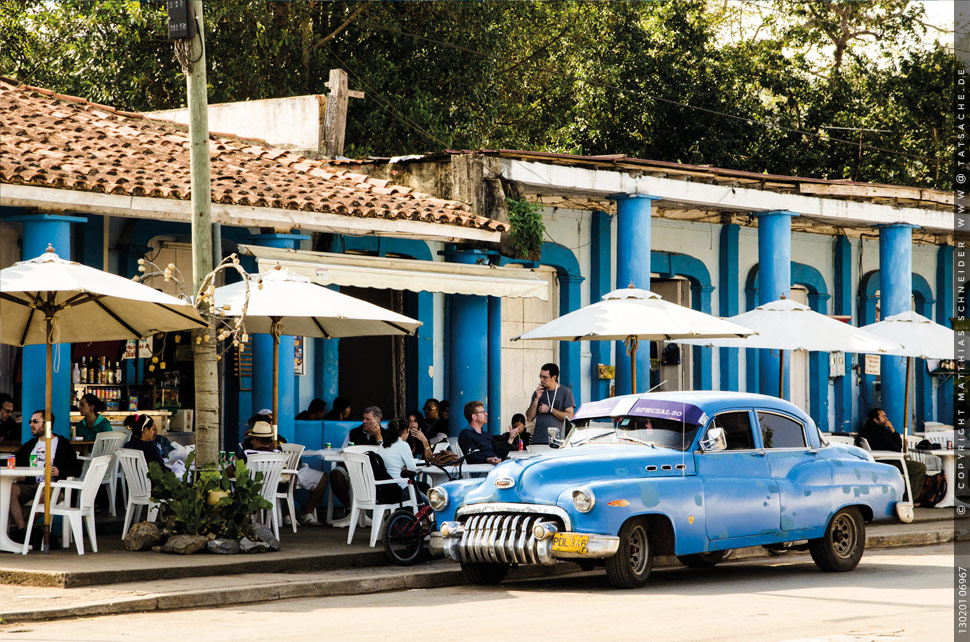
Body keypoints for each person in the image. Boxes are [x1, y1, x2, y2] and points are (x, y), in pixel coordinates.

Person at [7, 409, 81, 541]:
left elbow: (76, 469)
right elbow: (17, 464)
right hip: (31, 485)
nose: (31, 424)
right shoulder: (29, 446)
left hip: (54, 487)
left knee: (44, 493)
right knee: (10, 491)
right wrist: (18, 475)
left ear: (48, 424)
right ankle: (23, 530)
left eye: (35, 421)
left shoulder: (62, 444)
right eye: (30, 421)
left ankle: (25, 531)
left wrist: (60, 471)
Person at [238, 421, 328, 526]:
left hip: (251, 490)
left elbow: (232, 472)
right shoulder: (279, 454)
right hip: (274, 490)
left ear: (255, 439)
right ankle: (288, 515)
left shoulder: (247, 454)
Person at [858, 408, 926, 500]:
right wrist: (892, 429)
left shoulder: (869, 430)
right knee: (919, 467)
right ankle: (908, 499)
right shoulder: (879, 433)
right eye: (883, 417)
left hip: (879, 461)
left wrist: (892, 430)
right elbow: (897, 448)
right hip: (888, 462)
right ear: (875, 420)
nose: (886, 419)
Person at [525, 363, 575, 445]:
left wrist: (550, 409)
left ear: (554, 377)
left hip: (558, 441)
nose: (541, 380)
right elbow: (530, 418)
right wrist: (536, 398)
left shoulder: (565, 392)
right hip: (539, 440)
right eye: (540, 376)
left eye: (545, 377)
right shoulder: (538, 392)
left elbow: (569, 417)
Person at [379, 417, 427, 501]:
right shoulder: (403, 445)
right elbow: (413, 469)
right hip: (400, 489)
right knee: (428, 504)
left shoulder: (382, 445)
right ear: (405, 430)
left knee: (424, 487)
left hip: (385, 489)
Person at [457, 401, 501, 465]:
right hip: (480, 470)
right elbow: (470, 457)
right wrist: (488, 460)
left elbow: (500, 455)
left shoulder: (487, 435)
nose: (486, 414)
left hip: (493, 468)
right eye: (483, 412)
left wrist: (511, 438)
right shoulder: (466, 434)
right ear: (474, 416)